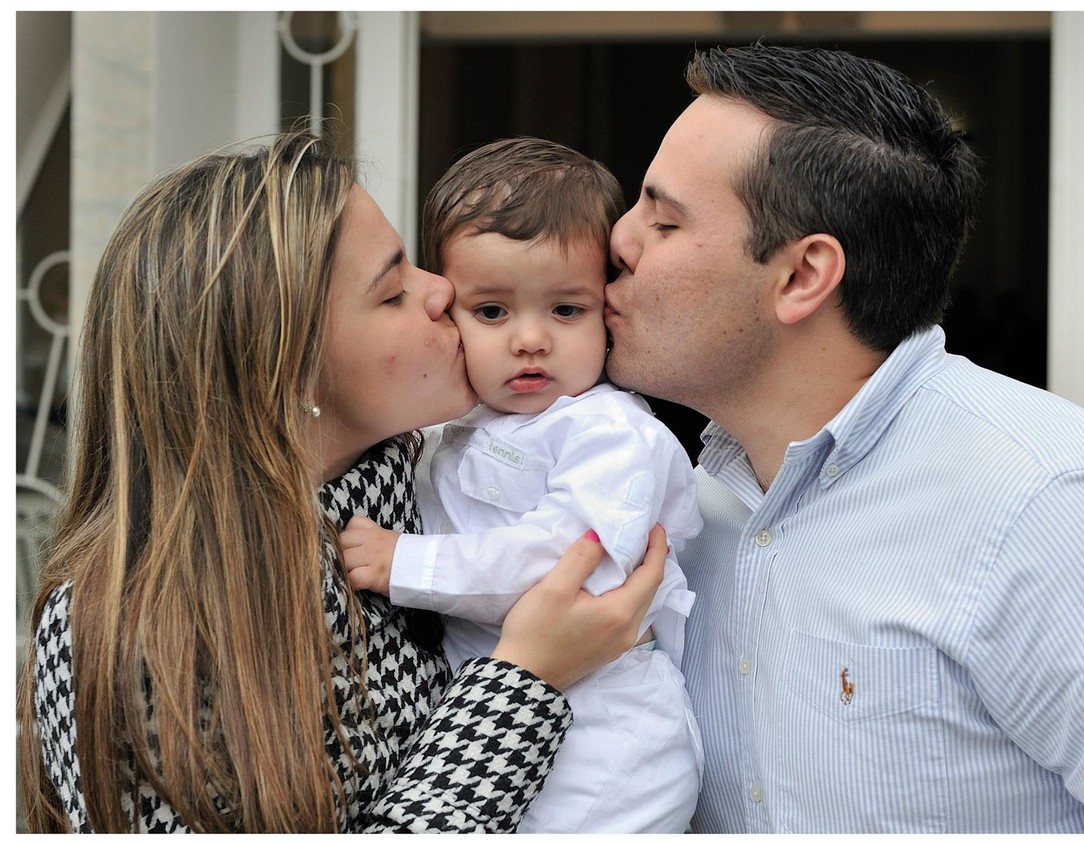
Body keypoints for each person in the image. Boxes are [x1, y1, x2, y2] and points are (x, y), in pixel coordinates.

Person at [603, 43, 1084, 834]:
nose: (618, 239)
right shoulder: (676, 505)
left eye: (663, 218)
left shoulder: (1054, 505)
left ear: (804, 275)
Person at [17, 131, 668, 833]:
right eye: (392, 291)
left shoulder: (443, 484)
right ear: (292, 376)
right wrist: (523, 678)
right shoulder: (125, 627)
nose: (442, 289)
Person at [340, 137, 704, 833]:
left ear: (606, 311)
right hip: (499, 723)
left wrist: (403, 562)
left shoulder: (610, 434)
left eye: (566, 310)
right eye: (493, 312)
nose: (530, 339)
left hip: (605, 739)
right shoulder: (452, 425)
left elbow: (564, 562)